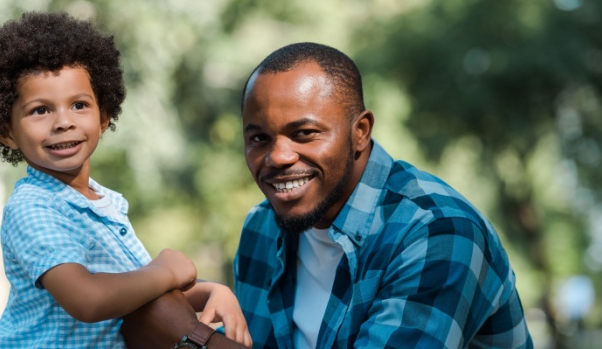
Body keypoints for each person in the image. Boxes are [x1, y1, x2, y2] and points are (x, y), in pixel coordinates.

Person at [123, 42, 533, 348]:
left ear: (361, 132)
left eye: (304, 134)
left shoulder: (438, 232)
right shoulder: (262, 230)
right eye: (259, 138)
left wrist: (193, 339)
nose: (278, 157)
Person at [0, 12, 251, 348]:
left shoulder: (105, 204)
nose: (63, 122)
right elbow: (88, 299)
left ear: (103, 118)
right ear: (6, 132)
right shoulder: (33, 207)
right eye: (40, 110)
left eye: (79, 105)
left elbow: (136, 288)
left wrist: (213, 291)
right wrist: (166, 271)